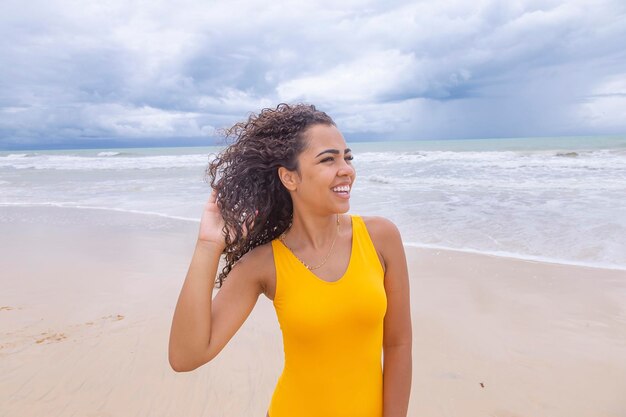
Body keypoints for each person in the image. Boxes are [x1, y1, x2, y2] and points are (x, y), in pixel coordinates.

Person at [168, 103, 412, 417]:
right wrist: (208, 245)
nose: (346, 169)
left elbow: (398, 344)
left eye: (347, 157)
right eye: (328, 159)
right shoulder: (264, 264)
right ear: (289, 177)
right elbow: (185, 356)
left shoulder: (381, 237)